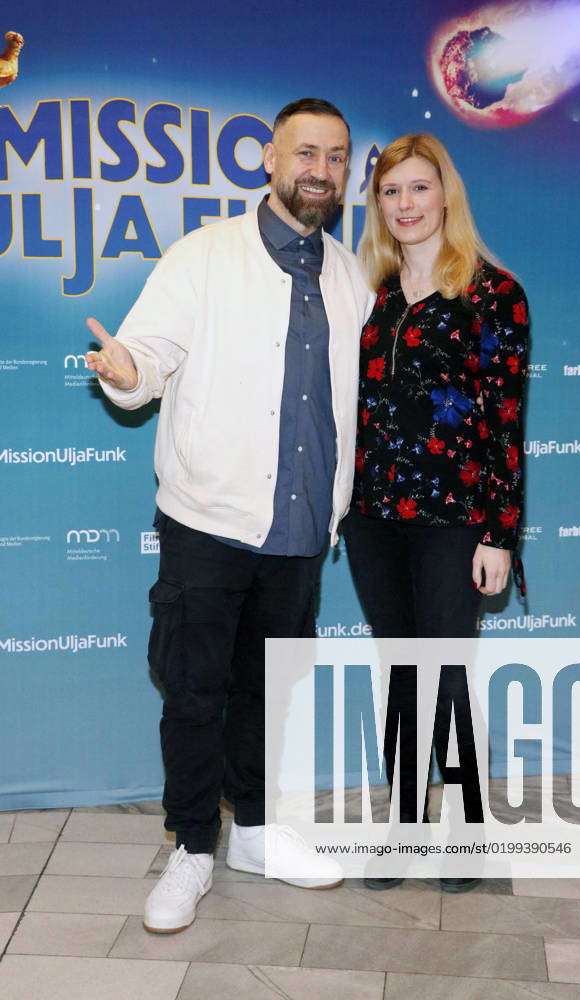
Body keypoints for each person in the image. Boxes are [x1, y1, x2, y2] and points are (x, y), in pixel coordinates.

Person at [85, 97, 373, 933]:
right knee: (194, 690)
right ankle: (189, 848)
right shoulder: (204, 256)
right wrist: (124, 367)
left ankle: (250, 831)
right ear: (269, 162)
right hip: (207, 523)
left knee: (263, 692)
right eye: (304, 153)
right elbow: (148, 360)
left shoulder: (349, 274)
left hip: (300, 532)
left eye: (335, 156)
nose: (319, 170)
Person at [343, 133, 529, 891]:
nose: (405, 205)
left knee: (446, 674)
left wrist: (500, 534)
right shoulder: (369, 293)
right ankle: (406, 824)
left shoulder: (490, 290)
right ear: (377, 205)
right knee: (401, 674)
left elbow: (507, 421)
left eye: (419, 189)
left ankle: (469, 832)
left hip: (456, 519)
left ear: (444, 195)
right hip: (371, 519)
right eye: (391, 192)